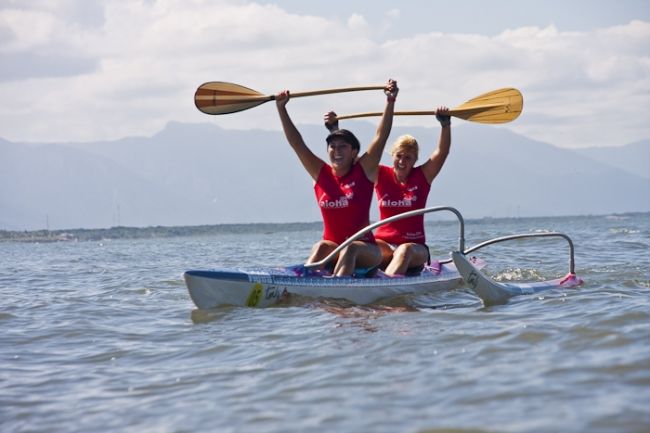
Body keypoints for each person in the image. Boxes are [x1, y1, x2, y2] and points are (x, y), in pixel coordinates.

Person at [275, 79, 399, 276]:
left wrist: (390, 101)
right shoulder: (320, 173)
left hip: (365, 250)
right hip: (333, 248)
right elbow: (297, 143)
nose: (337, 151)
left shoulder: (363, 170)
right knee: (320, 246)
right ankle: (302, 285)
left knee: (351, 248)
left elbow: (381, 136)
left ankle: (337, 293)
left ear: (353, 152)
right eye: (332, 147)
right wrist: (281, 109)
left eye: (343, 146)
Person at [326, 107, 452, 277]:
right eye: (399, 156)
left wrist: (445, 124)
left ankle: (384, 284)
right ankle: (334, 281)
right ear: (392, 156)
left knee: (404, 250)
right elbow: (348, 159)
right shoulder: (379, 174)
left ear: (415, 160)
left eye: (408, 157)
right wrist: (335, 129)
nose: (402, 161)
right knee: (355, 247)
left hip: (415, 247)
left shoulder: (423, 176)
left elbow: (441, 153)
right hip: (383, 243)